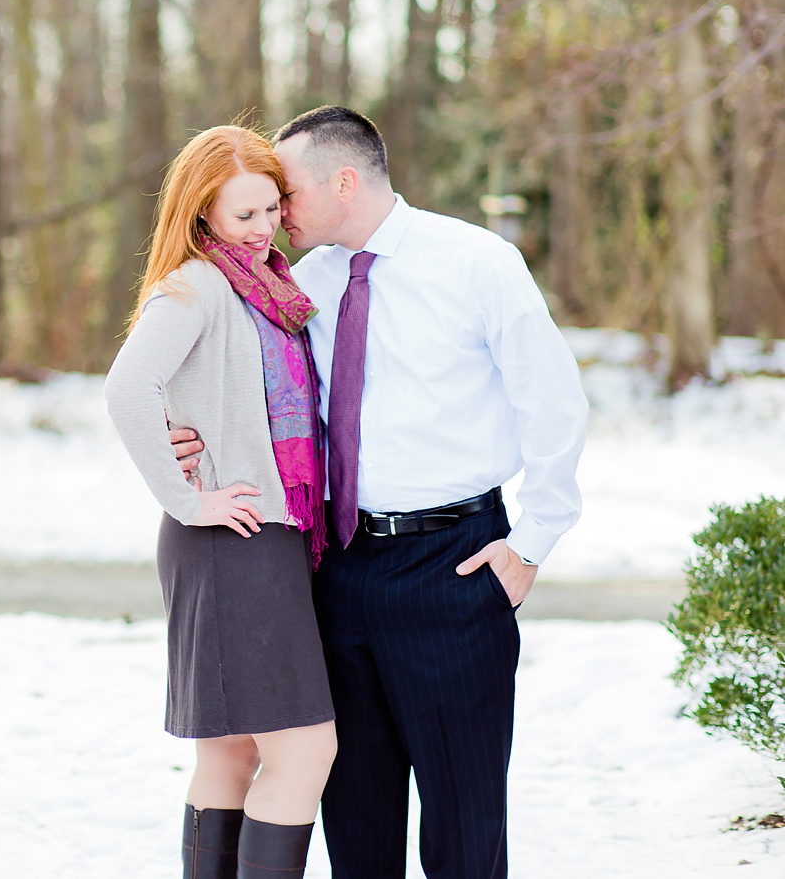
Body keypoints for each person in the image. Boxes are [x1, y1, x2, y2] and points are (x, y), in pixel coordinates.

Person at [170, 106, 588, 879]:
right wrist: (184, 430)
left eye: (285, 193)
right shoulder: (300, 283)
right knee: (356, 821)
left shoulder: (477, 262)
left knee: (465, 829)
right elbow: (239, 378)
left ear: (344, 181)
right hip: (338, 567)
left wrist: (531, 544)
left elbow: (555, 406)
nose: (276, 213)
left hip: (455, 567)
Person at [104, 125, 339, 879]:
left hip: (259, 532)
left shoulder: (269, 288)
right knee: (305, 751)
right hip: (232, 536)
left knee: (232, 752)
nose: (265, 226)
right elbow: (125, 387)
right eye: (244, 216)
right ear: (202, 216)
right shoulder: (199, 284)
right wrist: (184, 498)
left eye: (272, 207)